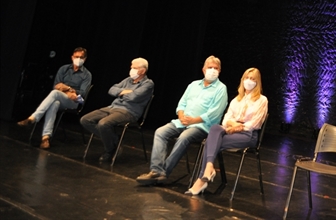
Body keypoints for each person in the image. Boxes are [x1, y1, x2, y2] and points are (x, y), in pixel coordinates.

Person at [136, 55, 228, 185]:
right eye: (210, 67)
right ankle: (156, 171)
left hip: (202, 126)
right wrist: (181, 116)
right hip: (182, 121)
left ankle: (164, 173)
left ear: (219, 71)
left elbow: (215, 113)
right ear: (203, 69)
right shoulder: (193, 85)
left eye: (215, 68)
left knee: (184, 137)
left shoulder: (221, 89)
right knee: (160, 132)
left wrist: (193, 121)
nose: (212, 70)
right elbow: (182, 104)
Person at [186, 67, 268, 195]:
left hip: (248, 135)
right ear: (242, 80)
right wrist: (234, 126)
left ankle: (202, 178)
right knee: (215, 128)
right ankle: (208, 169)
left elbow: (255, 123)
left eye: (252, 79)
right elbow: (226, 119)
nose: (249, 81)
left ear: (257, 82)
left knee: (211, 141)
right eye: (247, 78)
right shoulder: (237, 99)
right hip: (231, 130)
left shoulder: (262, 100)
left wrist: (237, 127)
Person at [80, 58, 154, 162]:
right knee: (85, 120)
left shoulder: (148, 84)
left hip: (129, 111)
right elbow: (111, 90)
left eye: (134, 67)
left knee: (103, 124)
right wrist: (126, 91)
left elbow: (134, 97)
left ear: (142, 70)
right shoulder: (127, 80)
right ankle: (115, 140)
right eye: (131, 67)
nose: (131, 69)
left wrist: (121, 93)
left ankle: (109, 150)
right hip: (112, 107)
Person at [18, 47, 92, 149]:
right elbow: (56, 86)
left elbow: (82, 93)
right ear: (72, 57)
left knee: (55, 94)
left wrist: (68, 88)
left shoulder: (87, 75)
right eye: (76, 57)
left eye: (81, 57)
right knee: (54, 103)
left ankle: (33, 118)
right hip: (61, 96)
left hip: (75, 100)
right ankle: (45, 138)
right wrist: (68, 91)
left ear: (85, 59)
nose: (79, 59)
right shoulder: (64, 69)